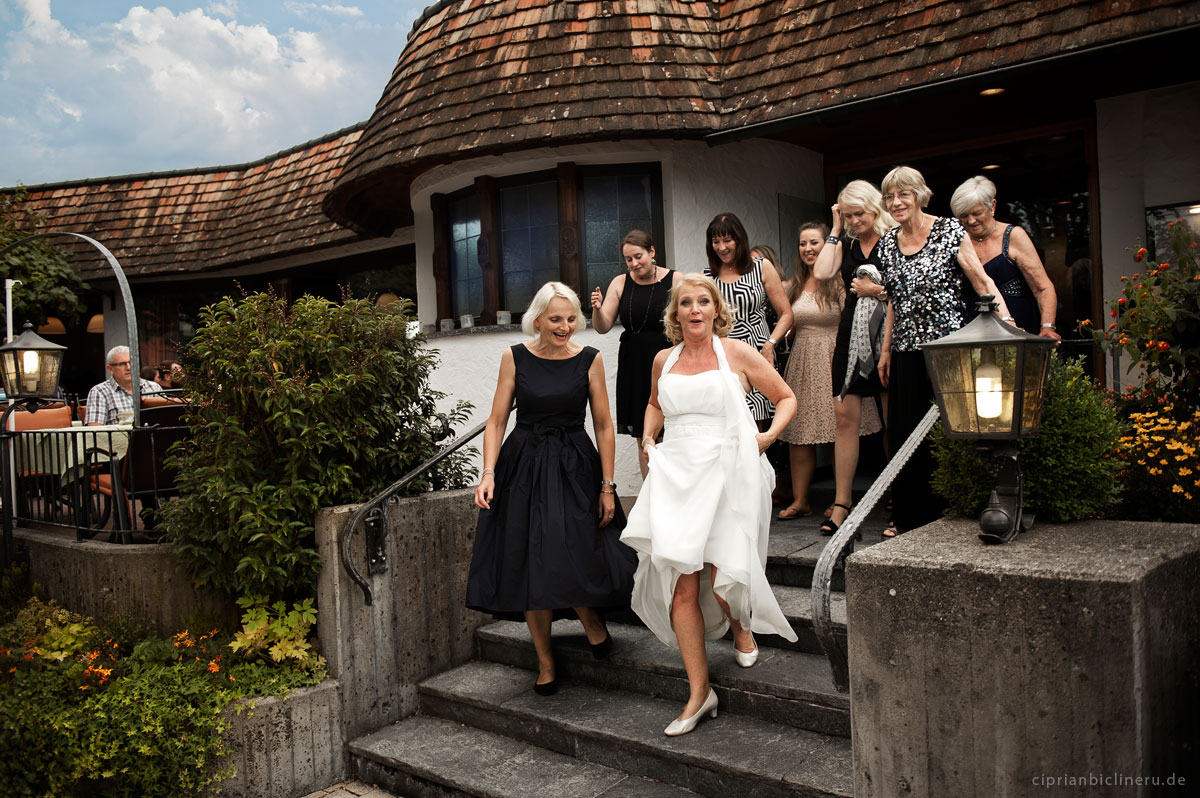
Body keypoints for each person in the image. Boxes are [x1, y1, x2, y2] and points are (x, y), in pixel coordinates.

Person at [621, 273, 799, 737]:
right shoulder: (664, 357)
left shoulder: (737, 352)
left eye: (703, 302)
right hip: (677, 474)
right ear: (675, 313)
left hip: (727, 471)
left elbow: (785, 397)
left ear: (716, 310)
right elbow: (656, 403)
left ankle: (741, 627)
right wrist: (646, 433)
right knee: (682, 586)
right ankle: (700, 693)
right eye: (686, 303)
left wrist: (766, 437)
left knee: (724, 578)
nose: (695, 310)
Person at [466, 282, 636, 696]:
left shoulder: (590, 359)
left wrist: (608, 485)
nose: (565, 326)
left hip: (574, 464)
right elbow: (496, 421)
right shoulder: (515, 357)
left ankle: (591, 620)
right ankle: (544, 660)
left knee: (572, 547)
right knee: (528, 559)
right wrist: (488, 472)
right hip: (522, 465)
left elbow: (603, 426)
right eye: (556, 319)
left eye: (571, 318)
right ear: (538, 319)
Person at [877, 166, 1014, 537]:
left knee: (951, 431)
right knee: (905, 433)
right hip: (906, 348)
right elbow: (894, 300)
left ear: (920, 194)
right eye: (890, 196)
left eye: (903, 194)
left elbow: (979, 278)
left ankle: (954, 511)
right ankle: (908, 517)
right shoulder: (888, 243)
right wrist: (886, 349)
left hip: (948, 349)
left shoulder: (949, 230)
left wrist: (1007, 320)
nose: (896, 202)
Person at [811, 180, 891, 535]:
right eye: (849, 214)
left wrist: (877, 290)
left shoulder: (894, 239)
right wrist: (836, 228)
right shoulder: (847, 241)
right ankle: (843, 502)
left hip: (887, 332)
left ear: (875, 208)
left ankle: (898, 495)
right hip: (850, 333)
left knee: (894, 418)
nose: (856, 220)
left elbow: (907, 288)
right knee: (845, 417)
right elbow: (822, 271)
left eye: (861, 213)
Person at [777, 222, 864, 521]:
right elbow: (786, 320)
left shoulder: (838, 279)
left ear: (827, 245)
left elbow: (852, 319)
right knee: (800, 431)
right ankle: (801, 499)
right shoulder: (795, 283)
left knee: (839, 428)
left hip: (833, 356)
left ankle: (843, 498)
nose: (808, 249)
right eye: (803, 244)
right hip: (802, 359)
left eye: (814, 242)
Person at [590, 230, 683, 477]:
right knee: (645, 433)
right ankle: (651, 490)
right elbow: (603, 326)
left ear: (652, 252)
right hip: (634, 364)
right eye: (628, 259)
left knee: (672, 427)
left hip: (669, 362)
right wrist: (597, 310)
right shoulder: (620, 282)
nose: (634, 263)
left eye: (638, 256)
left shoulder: (676, 280)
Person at [951, 175, 1062, 341]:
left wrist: (1047, 327)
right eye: (964, 216)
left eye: (977, 213)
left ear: (992, 206)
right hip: (971, 332)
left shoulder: (1013, 236)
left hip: (1017, 329)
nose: (970, 220)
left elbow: (1042, 287)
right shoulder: (956, 241)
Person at [706, 213, 793, 424]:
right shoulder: (707, 275)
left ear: (739, 239)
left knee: (755, 426)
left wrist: (770, 344)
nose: (722, 247)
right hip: (723, 356)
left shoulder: (761, 267)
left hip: (757, 353)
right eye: (716, 241)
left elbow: (787, 315)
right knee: (725, 423)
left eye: (727, 240)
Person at [85, 346, 162, 425]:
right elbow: (95, 430)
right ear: (110, 369)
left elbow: (167, 420)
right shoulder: (99, 392)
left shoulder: (154, 387)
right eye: (122, 364)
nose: (128, 367)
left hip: (152, 436)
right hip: (118, 437)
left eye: (131, 362)